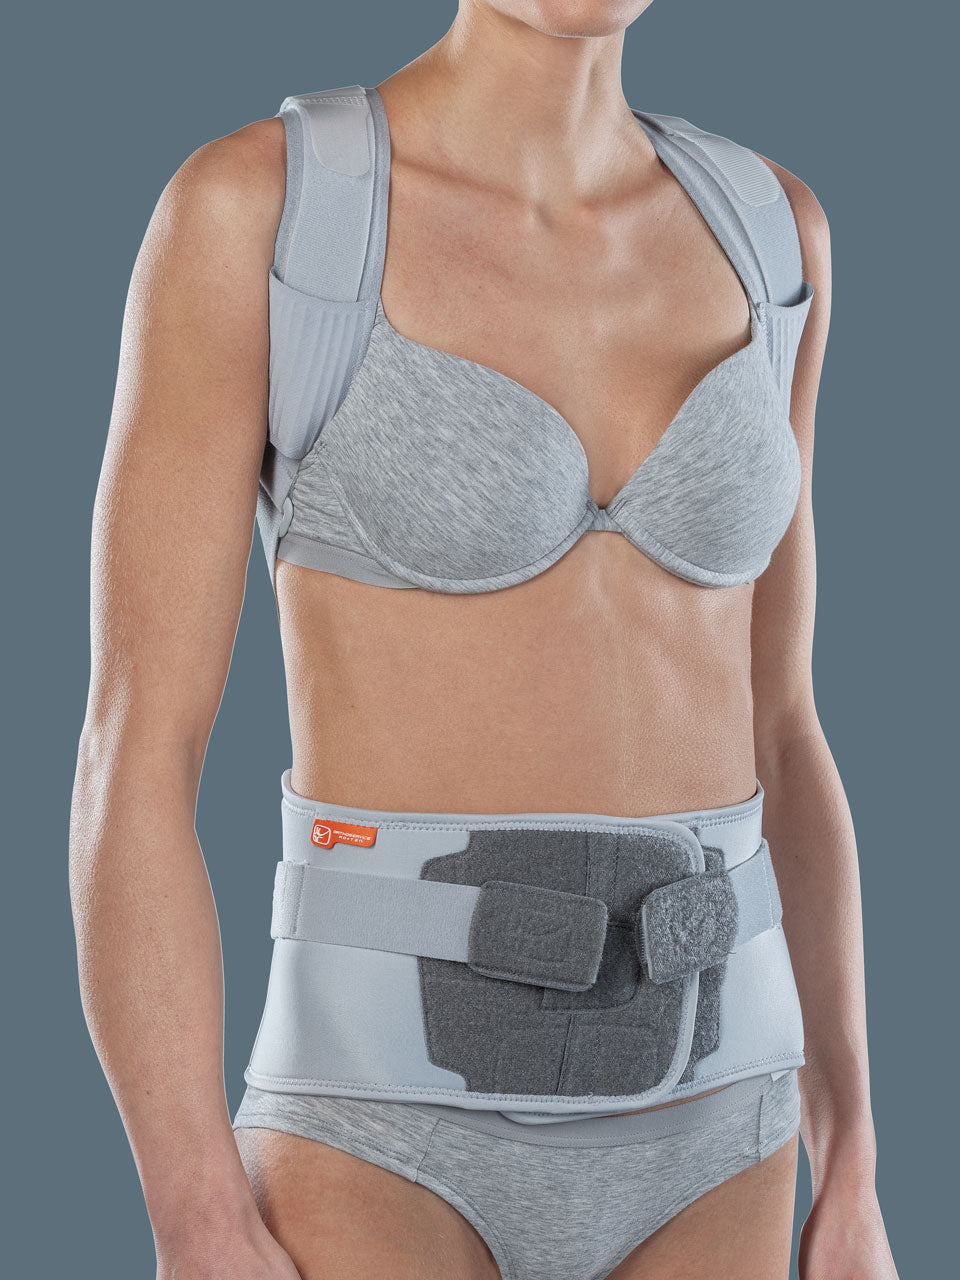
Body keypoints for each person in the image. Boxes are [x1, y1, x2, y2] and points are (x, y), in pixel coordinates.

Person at [69, 3, 899, 1278]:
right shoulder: (266, 213)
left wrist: (853, 1164)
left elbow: (784, 729)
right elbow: (134, 753)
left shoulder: (773, 231)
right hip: (378, 1132)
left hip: (724, 1126)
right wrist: (195, 1214)